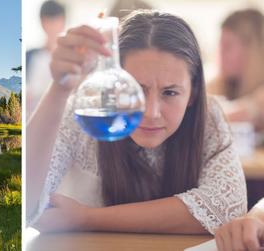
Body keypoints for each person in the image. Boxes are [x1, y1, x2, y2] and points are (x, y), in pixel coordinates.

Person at [26, 10, 247, 234]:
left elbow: (227, 208)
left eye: (169, 93)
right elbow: (21, 204)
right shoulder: (84, 113)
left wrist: (86, 218)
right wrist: (59, 89)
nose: (151, 113)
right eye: (137, 90)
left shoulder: (209, 117)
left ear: (193, 92)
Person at [207, 9, 264, 131]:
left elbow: (249, 110)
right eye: (220, 46)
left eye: (227, 47)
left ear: (252, 50)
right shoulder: (217, 85)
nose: (220, 54)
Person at [26, 0, 66, 119]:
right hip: (32, 118)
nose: (52, 26)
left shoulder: (71, 57)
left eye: (56, 21)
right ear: (42, 22)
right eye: (48, 21)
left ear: (63, 22)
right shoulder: (30, 56)